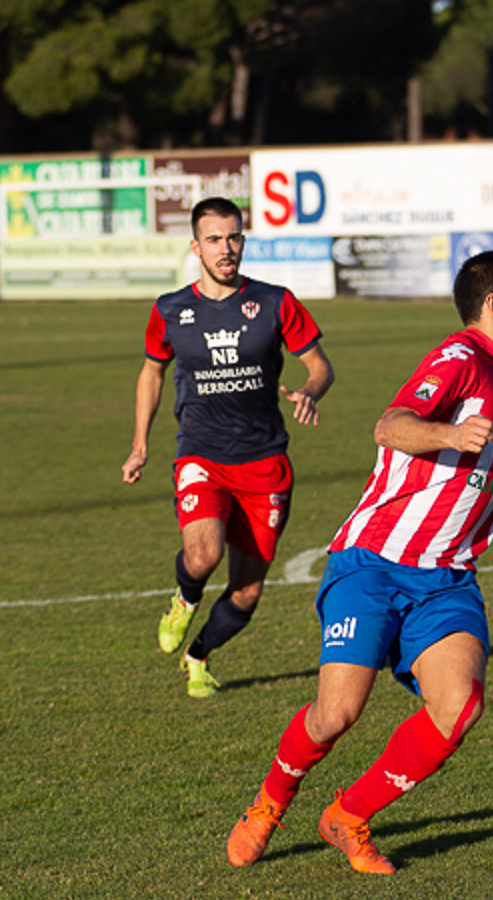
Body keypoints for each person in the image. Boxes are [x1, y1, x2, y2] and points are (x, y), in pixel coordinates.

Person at [226, 248, 493, 875]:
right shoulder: (460, 360)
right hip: (374, 563)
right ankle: (268, 803)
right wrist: (450, 434)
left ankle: (347, 816)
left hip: (446, 578)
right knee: (336, 713)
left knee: (460, 705)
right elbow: (390, 425)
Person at [122, 196, 334, 697]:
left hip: (265, 463)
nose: (226, 247)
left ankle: (199, 657)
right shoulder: (170, 310)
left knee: (247, 591)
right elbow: (152, 373)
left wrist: (311, 390)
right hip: (202, 454)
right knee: (202, 555)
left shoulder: (276, 302)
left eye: (234, 237)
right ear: (195, 246)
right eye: (215, 239)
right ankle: (184, 598)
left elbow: (320, 365)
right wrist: (139, 446)